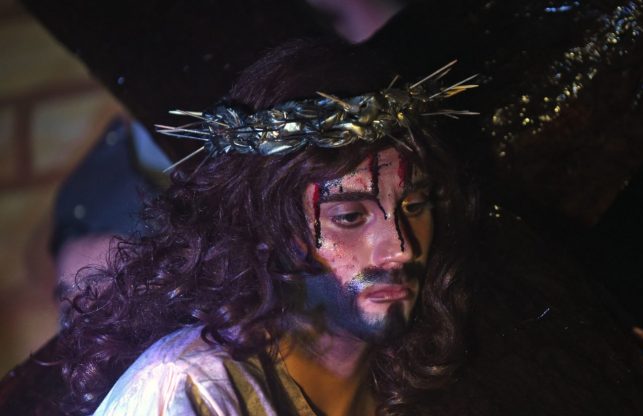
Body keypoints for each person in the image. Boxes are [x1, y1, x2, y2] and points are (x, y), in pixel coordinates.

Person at [58, 39, 474, 416]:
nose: (400, 248)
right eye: (349, 217)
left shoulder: (419, 388)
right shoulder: (191, 388)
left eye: (414, 206)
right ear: (268, 227)